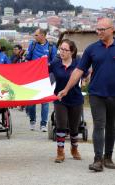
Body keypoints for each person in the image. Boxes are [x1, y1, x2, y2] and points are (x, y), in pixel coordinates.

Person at [58, 18, 115, 172]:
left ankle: (108, 157)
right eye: (97, 29)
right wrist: (67, 88)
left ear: (112, 30)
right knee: (99, 125)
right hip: (96, 93)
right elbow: (78, 70)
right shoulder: (92, 49)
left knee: (112, 127)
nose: (99, 32)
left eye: (102, 29)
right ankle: (97, 160)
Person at [49, 39, 88, 163]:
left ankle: (74, 148)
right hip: (60, 99)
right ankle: (60, 152)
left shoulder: (78, 64)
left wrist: (86, 80)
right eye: (61, 49)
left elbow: (86, 75)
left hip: (76, 98)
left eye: (65, 50)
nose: (62, 52)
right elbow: (42, 73)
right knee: (60, 125)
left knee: (74, 127)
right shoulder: (55, 63)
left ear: (72, 52)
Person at [25, 28, 57, 132]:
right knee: (31, 102)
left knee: (45, 102)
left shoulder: (52, 47)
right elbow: (27, 59)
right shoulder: (32, 45)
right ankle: (32, 120)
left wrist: (47, 64)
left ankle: (43, 123)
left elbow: (55, 62)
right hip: (33, 78)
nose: (35, 37)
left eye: (36, 35)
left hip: (45, 78)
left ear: (43, 35)